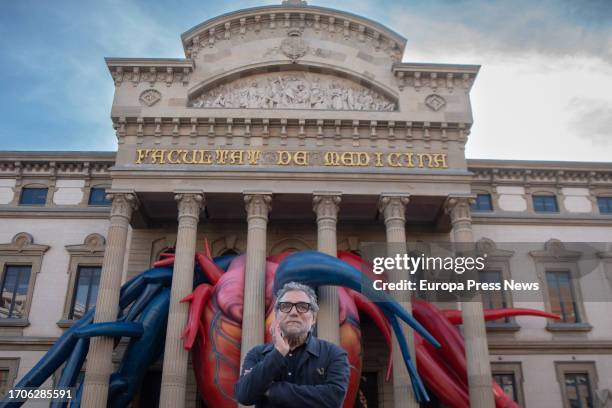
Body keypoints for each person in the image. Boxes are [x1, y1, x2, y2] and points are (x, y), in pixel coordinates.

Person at [234, 282, 350, 407]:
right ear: (277, 316)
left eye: (302, 306)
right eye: (286, 306)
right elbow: (244, 395)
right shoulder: (257, 354)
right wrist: (278, 354)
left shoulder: (334, 354)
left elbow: (333, 400)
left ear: (314, 318)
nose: (294, 312)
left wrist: (271, 390)